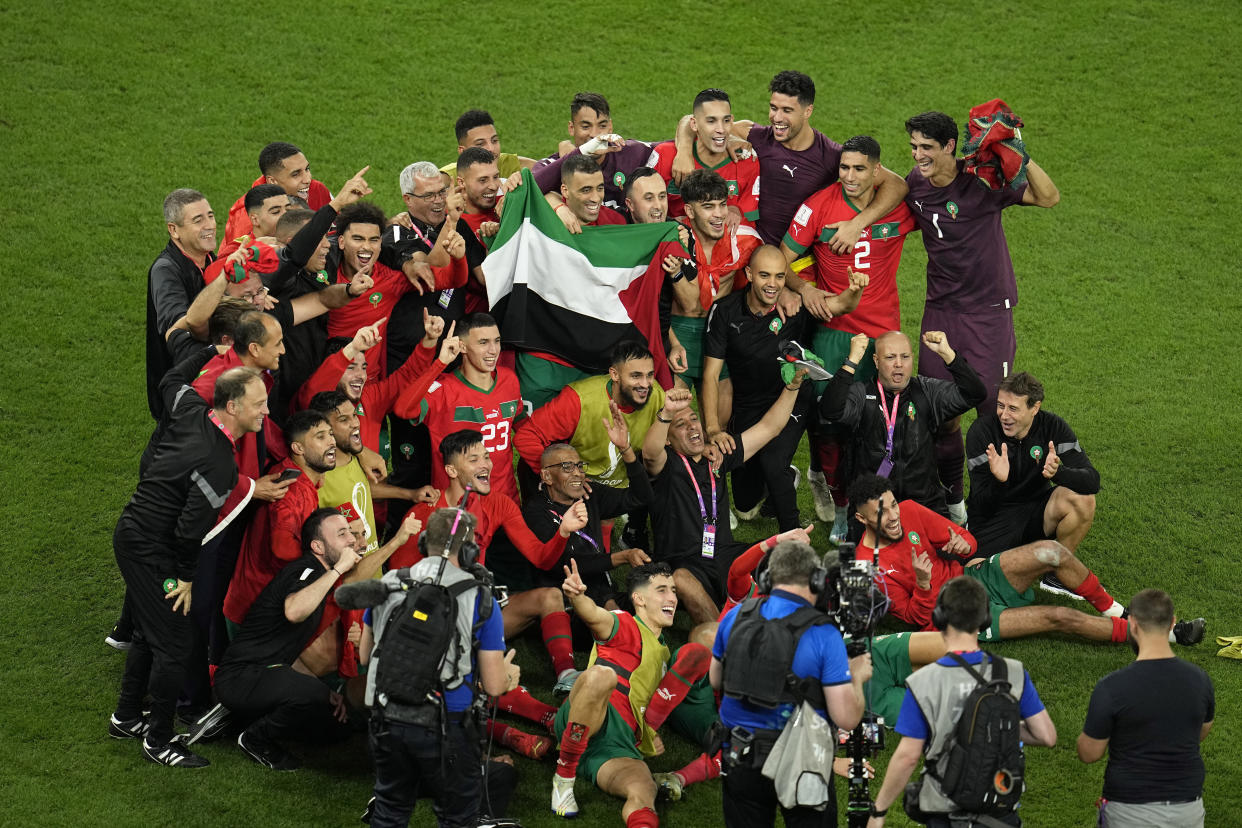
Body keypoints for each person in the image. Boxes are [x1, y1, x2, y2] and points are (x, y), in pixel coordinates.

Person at [108, 365, 267, 768]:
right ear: (232, 406)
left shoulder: (191, 408)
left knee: (151, 630)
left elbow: (170, 381)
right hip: (150, 549)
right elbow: (188, 530)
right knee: (176, 643)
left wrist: (204, 349)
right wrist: (185, 578)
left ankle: (126, 717)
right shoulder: (220, 464)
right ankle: (159, 740)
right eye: (259, 403)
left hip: (137, 534)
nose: (266, 410)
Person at [904, 110, 1060, 518]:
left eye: (927, 147)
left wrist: (1017, 153)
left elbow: (1049, 196)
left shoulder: (983, 180)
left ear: (950, 147)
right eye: (914, 146)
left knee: (994, 414)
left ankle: (999, 504)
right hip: (940, 311)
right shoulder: (914, 185)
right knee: (940, 413)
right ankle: (954, 501)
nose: (919, 154)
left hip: (989, 314)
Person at [849, 473, 1205, 646]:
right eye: (881, 514)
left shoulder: (910, 510)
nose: (894, 516)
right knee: (1059, 616)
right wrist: (925, 586)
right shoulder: (867, 568)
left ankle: (1117, 611)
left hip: (975, 579)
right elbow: (918, 622)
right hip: (958, 615)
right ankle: (1159, 637)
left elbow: (970, 543)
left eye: (893, 505)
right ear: (863, 520)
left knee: (1053, 551)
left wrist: (964, 546)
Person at [779, 135, 917, 530]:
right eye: (844, 168)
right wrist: (805, 288)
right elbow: (779, 258)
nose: (850, 176)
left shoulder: (894, 206)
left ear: (877, 170)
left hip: (886, 336)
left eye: (860, 168)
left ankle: (880, 503)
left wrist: (858, 223)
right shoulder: (817, 207)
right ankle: (841, 505)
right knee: (831, 427)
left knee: (884, 425)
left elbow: (903, 185)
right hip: (835, 334)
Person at [361, 506, 520, 827]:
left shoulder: (390, 582)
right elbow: (492, 686)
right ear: (471, 550)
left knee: (390, 809)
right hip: (449, 728)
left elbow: (365, 656)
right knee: (457, 817)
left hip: (386, 720)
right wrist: (507, 676)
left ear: (423, 542)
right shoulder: (481, 598)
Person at [865, 576, 1057, 827]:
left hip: (945, 812)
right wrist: (994, 727)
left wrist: (879, 811)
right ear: (985, 619)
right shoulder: (1013, 672)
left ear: (939, 619)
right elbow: (1046, 736)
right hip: (1000, 809)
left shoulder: (924, 681)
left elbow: (908, 757)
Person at [712, 539, 872, 827]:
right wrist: (857, 677)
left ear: (766, 577)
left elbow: (715, 679)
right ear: (816, 580)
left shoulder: (736, 615)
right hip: (802, 760)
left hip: (738, 754)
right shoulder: (824, 635)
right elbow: (846, 718)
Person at [703, 244, 858, 530]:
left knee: (773, 463)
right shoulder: (724, 312)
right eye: (764, 275)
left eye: (779, 276)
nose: (772, 284)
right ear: (749, 274)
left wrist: (855, 290)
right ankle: (785, 480)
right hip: (748, 405)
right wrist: (713, 428)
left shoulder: (795, 306)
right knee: (746, 504)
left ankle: (795, 540)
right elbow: (711, 375)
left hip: (792, 397)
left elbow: (841, 305)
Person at [550, 561, 716, 825]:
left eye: (673, 590)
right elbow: (595, 615)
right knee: (602, 676)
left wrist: (650, 731)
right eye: (662, 590)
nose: (672, 597)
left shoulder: (664, 653)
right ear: (638, 599)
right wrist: (578, 597)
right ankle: (563, 778)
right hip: (589, 717)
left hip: (616, 747)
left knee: (645, 789)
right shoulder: (624, 623)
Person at [671, 70, 908, 253]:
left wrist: (857, 225)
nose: (777, 118)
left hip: (797, 261)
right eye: (773, 108)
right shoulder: (754, 135)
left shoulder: (832, 156)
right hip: (749, 249)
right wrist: (684, 150)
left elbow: (896, 184)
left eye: (787, 110)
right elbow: (694, 120)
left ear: (808, 111)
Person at [641, 372, 808, 625]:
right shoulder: (667, 464)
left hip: (724, 554)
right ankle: (724, 643)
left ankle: (791, 627)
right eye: (681, 425)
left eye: (694, 419)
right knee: (681, 580)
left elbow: (769, 428)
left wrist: (792, 387)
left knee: (788, 555)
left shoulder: (717, 457)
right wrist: (666, 413)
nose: (692, 427)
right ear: (668, 438)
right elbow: (650, 454)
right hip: (684, 561)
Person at [213, 508, 364, 770]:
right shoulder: (306, 570)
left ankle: (239, 717)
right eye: (342, 534)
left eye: (350, 533)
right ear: (318, 546)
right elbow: (293, 612)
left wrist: (327, 693)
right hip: (241, 677)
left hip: (267, 673)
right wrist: (339, 568)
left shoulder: (319, 577)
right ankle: (253, 739)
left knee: (337, 727)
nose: (351, 539)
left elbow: (289, 650)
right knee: (312, 695)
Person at [1078, 588, 1214, 828]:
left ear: (1132, 623)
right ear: (1172, 622)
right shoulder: (1200, 680)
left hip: (1130, 809)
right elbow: (1201, 731)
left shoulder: (1112, 687)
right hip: (1188, 809)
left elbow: (1089, 753)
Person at [822, 330, 984, 524]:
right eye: (890, 357)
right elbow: (830, 410)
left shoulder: (927, 392)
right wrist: (852, 361)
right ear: (876, 361)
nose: (899, 363)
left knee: (954, 552)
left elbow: (975, 394)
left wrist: (948, 354)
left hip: (924, 502)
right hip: (874, 505)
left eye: (905, 357)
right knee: (867, 555)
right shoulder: (862, 394)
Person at [965, 372, 1098, 578]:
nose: (1004, 415)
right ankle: (1023, 558)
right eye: (1001, 406)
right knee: (977, 579)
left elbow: (1092, 481)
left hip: (1036, 512)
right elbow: (981, 504)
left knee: (1083, 500)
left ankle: (1056, 575)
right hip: (993, 518)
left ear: (1034, 408)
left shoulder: (1053, 426)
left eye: (1013, 408)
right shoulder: (982, 432)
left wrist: (1058, 473)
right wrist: (1000, 482)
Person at [222, 409, 337, 629]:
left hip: (259, 601)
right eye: (320, 437)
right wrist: (326, 559)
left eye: (330, 434)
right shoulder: (290, 491)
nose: (331, 442)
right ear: (298, 448)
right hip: (256, 611)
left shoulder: (295, 475)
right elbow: (282, 547)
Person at [392, 313, 525, 505]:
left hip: (505, 503)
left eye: (497, 341)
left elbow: (520, 421)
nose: (493, 350)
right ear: (462, 346)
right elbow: (403, 410)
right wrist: (440, 363)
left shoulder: (509, 379)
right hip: (457, 509)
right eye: (483, 342)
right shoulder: (442, 390)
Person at [669, 169, 762, 403]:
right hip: (679, 332)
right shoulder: (672, 237)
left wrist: (791, 292)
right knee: (674, 422)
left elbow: (772, 263)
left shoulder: (743, 238)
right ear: (689, 210)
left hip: (719, 333)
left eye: (722, 204)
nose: (719, 214)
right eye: (709, 206)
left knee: (719, 424)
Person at [146, 188, 216, 419]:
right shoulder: (165, 270)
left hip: (212, 374)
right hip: (184, 390)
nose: (210, 225)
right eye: (198, 220)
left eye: (211, 215)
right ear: (174, 230)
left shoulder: (211, 259)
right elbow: (175, 326)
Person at [532, 92, 657, 220]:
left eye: (602, 126)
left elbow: (669, 146)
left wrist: (680, 152)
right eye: (586, 126)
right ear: (571, 128)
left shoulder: (630, 152)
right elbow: (528, 189)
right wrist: (580, 153)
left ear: (610, 126)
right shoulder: (551, 165)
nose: (595, 135)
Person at [648, 88, 759, 226]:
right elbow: (643, 212)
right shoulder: (666, 156)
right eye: (711, 121)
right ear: (694, 124)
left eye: (725, 120)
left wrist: (736, 211)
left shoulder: (746, 160)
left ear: (731, 121)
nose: (721, 129)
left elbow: (747, 229)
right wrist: (672, 224)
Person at [219, 141, 333, 253]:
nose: (307, 179)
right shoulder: (247, 216)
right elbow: (233, 262)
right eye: (296, 174)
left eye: (307, 169)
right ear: (272, 181)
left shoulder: (316, 189)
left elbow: (333, 231)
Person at [440, 108, 537, 178]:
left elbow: (548, 171)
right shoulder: (446, 180)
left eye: (494, 141)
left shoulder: (510, 165)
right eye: (480, 144)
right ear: (463, 151)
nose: (491, 148)